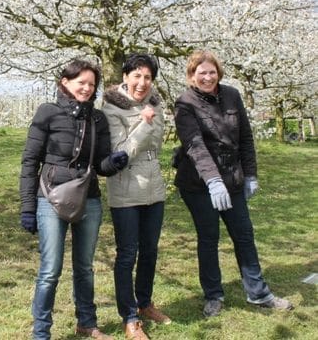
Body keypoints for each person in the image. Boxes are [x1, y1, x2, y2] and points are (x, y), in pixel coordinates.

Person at [173, 50, 293, 317]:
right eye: (201, 73)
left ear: (219, 73)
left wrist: (250, 174)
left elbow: (246, 138)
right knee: (209, 238)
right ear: (191, 76)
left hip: (232, 178)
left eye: (212, 72)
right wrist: (213, 180)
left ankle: (258, 293)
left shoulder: (232, 95)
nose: (207, 77)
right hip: (198, 184)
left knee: (244, 235)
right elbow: (195, 145)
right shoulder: (184, 103)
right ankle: (213, 295)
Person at [19, 59, 129, 340]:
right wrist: (28, 207)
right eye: (81, 82)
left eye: (92, 84)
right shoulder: (48, 112)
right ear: (65, 82)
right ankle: (41, 332)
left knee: (85, 268)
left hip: (88, 198)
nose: (87, 88)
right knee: (50, 270)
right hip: (50, 198)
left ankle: (87, 323)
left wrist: (114, 163)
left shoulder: (98, 119)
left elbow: (100, 165)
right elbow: (30, 161)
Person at [102, 53, 170, 340]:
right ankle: (129, 317)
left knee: (150, 250)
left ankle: (145, 303)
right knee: (127, 254)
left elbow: (158, 145)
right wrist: (143, 124)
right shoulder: (111, 107)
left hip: (154, 187)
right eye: (137, 76)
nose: (142, 83)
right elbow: (120, 152)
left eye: (148, 77)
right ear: (125, 77)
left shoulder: (156, 104)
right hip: (126, 188)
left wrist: (149, 120)